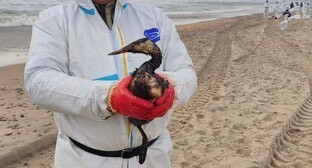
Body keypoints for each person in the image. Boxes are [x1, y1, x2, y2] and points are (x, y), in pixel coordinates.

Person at [24, 0, 197, 167]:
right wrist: (107, 97)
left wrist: (172, 88)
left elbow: (185, 71)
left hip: (153, 156)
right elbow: (39, 80)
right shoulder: (55, 19)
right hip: (85, 159)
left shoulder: (154, 16)